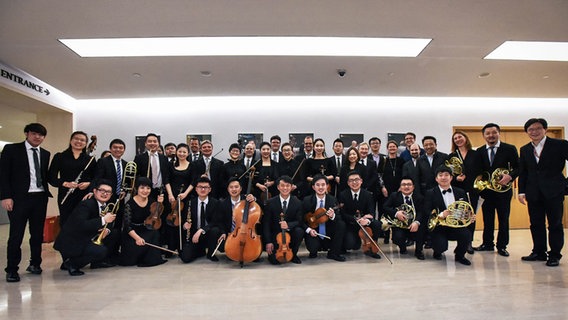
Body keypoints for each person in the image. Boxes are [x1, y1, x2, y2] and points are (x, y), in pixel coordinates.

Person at [1, 123, 51, 282]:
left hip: (40, 197)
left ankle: (35, 263)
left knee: (37, 234)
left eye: (41, 135)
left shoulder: (45, 153)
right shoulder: (11, 149)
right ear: (27, 134)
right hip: (18, 199)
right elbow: (3, 175)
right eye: (34, 134)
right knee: (16, 234)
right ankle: (12, 269)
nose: (38, 137)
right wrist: (5, 196)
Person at [518, 118, 568, 267]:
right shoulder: (525, 149)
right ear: (527, 132)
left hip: (554, 191)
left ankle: (554, 255)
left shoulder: (560, 145)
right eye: (530, 130)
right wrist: (521, 191)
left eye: (538, 128)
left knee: (555, 224)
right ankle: (539, 252)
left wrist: (565, 183)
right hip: (533, 192)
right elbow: (523, 172)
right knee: (536, 223)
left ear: (545, 129)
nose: (534, 132)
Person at [54, 180, 120, 276]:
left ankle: (96, 262)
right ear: (94, 191)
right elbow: (81, 225)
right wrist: (103, 220)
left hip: (87, 236)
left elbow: (109, 220)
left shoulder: (107, 205)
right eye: (102, 190)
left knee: (114, 233)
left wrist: (107, 229)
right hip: (73, 241)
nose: (105, 194)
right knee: (101, 251)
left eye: (108, 192)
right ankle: (72, 263)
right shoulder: (86, 204)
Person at [473, 123, 518, 257]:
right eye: (488, 133)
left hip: (503, 191)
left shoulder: (509, 149)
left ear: (498, 133)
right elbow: (478, 170)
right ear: (484, 136)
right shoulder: (480, 151)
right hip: (486, 191)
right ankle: (487, 244)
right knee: (487, 219)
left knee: (503, 219)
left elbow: (518, 167)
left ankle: (502, 246)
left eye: (494, 132)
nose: (491, 136)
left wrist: (510, 176)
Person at [424, 166, 472, 266]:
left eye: (446, 175)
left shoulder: (460, 192)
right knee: (441, 247)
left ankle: (460, 255)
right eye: (440, 175)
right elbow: (427, 211)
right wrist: (441, 215)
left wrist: (469, 217)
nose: (443, 177)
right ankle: (437, 251)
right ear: (436, 179)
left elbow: (466, 209)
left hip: (456, 225)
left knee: (466, 235)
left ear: (451, 177)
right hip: (439, 226)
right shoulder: (430, 193)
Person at [48, 131, 96, 227]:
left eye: (82, 140)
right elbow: (51, 177)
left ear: (86, 143)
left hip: (84, 195)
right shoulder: (60, 157)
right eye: (76, 139)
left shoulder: (90, 159)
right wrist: (65, 183)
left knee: (83, 222)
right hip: (66, 194)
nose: (79, 141)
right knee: (66, 222)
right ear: (70, 141)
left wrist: (89, 184)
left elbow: (96, 178)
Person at [119, 177, 168, 267]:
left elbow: (156, 218)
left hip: (146, 230)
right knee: (130, 261)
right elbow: (127, 226)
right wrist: (137, 238)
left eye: (148, 188)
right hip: (132, 234)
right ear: (136, 188)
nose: (145, 191)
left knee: (154, 232)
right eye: (142, 188)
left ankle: (148, 257)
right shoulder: (129, 204)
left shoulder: (152, 201)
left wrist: (159, 204)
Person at [302, 174, 346, 261]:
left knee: (341, 224)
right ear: (313, 187)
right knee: (313, 248)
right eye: (317, 185)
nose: (321, 187)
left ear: (327, 186)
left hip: (328, 230)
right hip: (314, 231)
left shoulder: (333, 200)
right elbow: (301, 219)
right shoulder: (307, 200)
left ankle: (334, 253)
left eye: (323, 185)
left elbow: (339, 217)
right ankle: (314, 248)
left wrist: (332, 216)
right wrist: (309, 230)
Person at [448, 130, 479, 254]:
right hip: (458, 190)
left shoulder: (475, 154)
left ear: (465, 138)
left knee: (471, 217)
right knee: (459, 216)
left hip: (472, 190)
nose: (458, 139)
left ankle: (469, 243)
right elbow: (449, 174)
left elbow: (479, 171)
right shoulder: (451, 156)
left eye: (459, 137)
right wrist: (456, 178)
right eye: (455, 138)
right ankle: (461, 243)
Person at [338, 171, 382, 259]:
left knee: (377, 224)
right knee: (350, 244)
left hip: (364, 223)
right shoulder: (343, 195)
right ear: (348, 183)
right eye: (351, 180)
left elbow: (371, 212)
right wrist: (356, 219)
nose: (354, 182)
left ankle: (372, 247)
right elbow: (343, 213)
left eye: (357, 180)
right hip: (351, 224)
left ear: (361, 181)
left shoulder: (368, 194)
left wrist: (367, 220)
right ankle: (353, 242)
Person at [262, 176, 304, 264]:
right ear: (278, 187)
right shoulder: (270, 202)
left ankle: (293, 254)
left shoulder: (298, 202)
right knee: (274, 261)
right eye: (282, 185)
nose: (285, 188)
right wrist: (268, 242)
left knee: (299, 231)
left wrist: (288, 225)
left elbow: (299, 221)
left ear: (292, 187)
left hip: (290, 233)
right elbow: (266, 224)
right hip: (276, 235)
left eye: (288, 186)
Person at [180, 177, 223, 262]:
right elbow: (185, 219)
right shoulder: (190, 203)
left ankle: (211, 253)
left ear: (209, 189)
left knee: (215, 230)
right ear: (196, 189)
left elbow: (215, 221)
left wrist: (201, 230)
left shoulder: (215, 203)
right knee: (185, 258)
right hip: (194, 236)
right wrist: (185, 226)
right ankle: (200, 250)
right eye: (200, 187)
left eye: (205, 187)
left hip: (208, 233)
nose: (203, 189)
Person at [383, 177, 426, 259]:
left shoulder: (419, 197)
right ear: (400, 187)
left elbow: (422, 212)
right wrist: (396, 213)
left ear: (413, 187)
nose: (406, 187)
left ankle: (418, 251)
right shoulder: (394, 196)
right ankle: (402, 248)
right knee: (397, 237)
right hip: (400, 225)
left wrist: (416, 222)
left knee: (422, 230)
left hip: (414, 225)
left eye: (409, 184)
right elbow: (385, 207)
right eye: (404, 185)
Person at [164, 143, 194, 255]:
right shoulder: (170, 165)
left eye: (184, 152)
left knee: (183, 221)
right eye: (180, 151)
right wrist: (170, 195)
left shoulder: (191, 165)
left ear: (188, 153)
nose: (182, 154)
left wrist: (186, 193)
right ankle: (171, 248)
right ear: (176, 152)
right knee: (171, 223)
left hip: (186, 198)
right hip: (172, 198)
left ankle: (182, 247)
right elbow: (166, 180)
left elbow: (193, 182)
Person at [134, 133, 170, 200]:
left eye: (155, 141)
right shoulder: (139, 157)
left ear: (158, 143)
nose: (152, 143)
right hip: (145, 191)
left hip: (161, 191)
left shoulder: (164, 158)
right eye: (150, 141)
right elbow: (136, 175)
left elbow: (166, 175)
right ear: (145, 143)